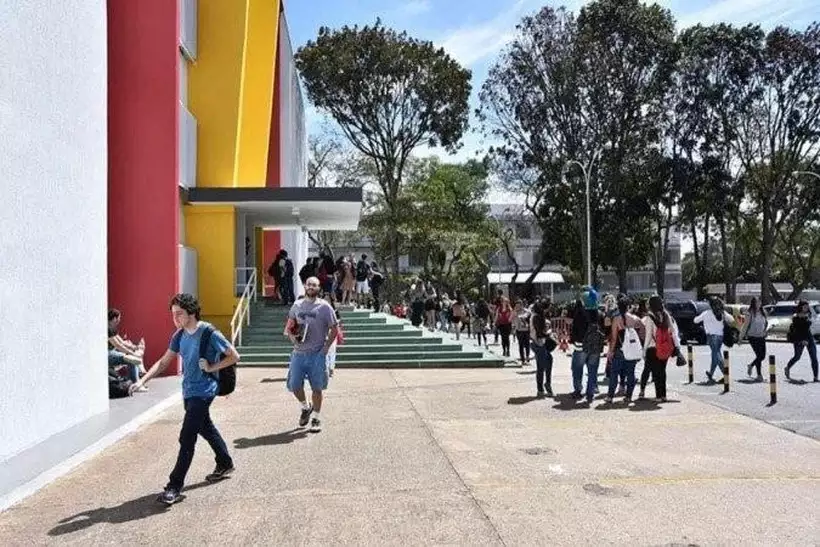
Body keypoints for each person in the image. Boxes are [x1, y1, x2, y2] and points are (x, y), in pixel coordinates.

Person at [129, 293, 240, 506]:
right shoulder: (179, 336)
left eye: (179, 314)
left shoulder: (209, 333)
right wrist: (143, 380)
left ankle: (174, 486)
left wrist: (211, 367)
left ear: (191, 312)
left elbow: (234, 356)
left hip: (205, 390)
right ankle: (225, 462)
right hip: (189, 391)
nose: (175, 319)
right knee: (205, 427)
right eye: (173, 314)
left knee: (187, 436)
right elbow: (163, 362)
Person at [283, 277, 339, 432]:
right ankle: (305, 407)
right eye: (309, 284)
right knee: (294, 386)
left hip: (317, 354)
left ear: (319, 288)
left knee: (317, 388)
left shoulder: (324, 307)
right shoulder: (297, 305)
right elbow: (289, 326)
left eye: (314, 285)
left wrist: (326, 347)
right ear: (305, 286)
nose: (311, 287)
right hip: (298, 354)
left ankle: (316, 418)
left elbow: (334, 328)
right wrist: (293, 337)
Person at [641, 295, 681, 403]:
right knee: (662, 371)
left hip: (653, 348)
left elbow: (649, 335)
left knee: (656, 373)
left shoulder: (650, 317)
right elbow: (673, 332)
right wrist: (677, 347)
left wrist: (644, 350)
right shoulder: (667, 315)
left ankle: (658, 396)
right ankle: (664, 395)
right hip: (665, 347)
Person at [606, 297, 643, 403]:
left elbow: (613, 337)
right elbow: (641, 333)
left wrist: (611, 351)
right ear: (628, 307)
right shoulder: (635, 319)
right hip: (632, 351)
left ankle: (610, 396)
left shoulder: (617, 319)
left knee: (614, 373)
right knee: (631, 373)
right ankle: (628, 396)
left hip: (619, 350)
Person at [694, 297, 735, 383]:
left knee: (716, 355)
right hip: (720, 337)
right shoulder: (722, 313)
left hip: (711, 337)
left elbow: (696, 321)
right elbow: (732, 319)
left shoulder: (706, 313)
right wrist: (724, 312)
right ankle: (711, 373)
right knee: (715, 355)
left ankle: (725, 374)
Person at [785, 300, 818, 382]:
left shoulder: (809, 315)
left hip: (809, 337)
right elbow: (798, 331)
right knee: (797, 356)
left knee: (814, 357)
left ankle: (816, 377)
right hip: (800, 338)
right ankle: (787, 367)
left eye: (807, 306)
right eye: (804, 306)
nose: (806, 308)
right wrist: (802, 340)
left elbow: (810, 326)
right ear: (801, 307)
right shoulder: (796, 317)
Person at [529, 302, 555, 397]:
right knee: (541, 367)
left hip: (539, 343)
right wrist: (549, 333)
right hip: (538, 343)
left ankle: (546, 384)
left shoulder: (536, 316)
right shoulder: (536, 317)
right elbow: (539, 334)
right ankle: (541, 389)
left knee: (549, 361)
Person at [740, 297, 768, 381]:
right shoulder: (750, 313)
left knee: (762, 356)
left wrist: (766, 331)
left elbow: (765, 324)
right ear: (753, 303)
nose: (759, 304)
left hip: (761, 336)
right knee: (759, 355)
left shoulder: (763, 312)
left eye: (760, 302)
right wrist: (740, 337)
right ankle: (759, 375)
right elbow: (745, 326)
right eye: (757, 302)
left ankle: (751, 365)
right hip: (752, 337)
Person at [513, 300, 531, 365]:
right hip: (519, 330)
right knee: (520, 345)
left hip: (526, 330)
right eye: (516, 305)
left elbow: (529, 318)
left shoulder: (527, 311)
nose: (517, 306)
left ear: (521, 305)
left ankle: (527, 357)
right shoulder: (515, 312)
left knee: (527, 344)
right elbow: (513, 320)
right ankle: (522, 359)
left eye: (519, 305)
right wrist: (514, 328)